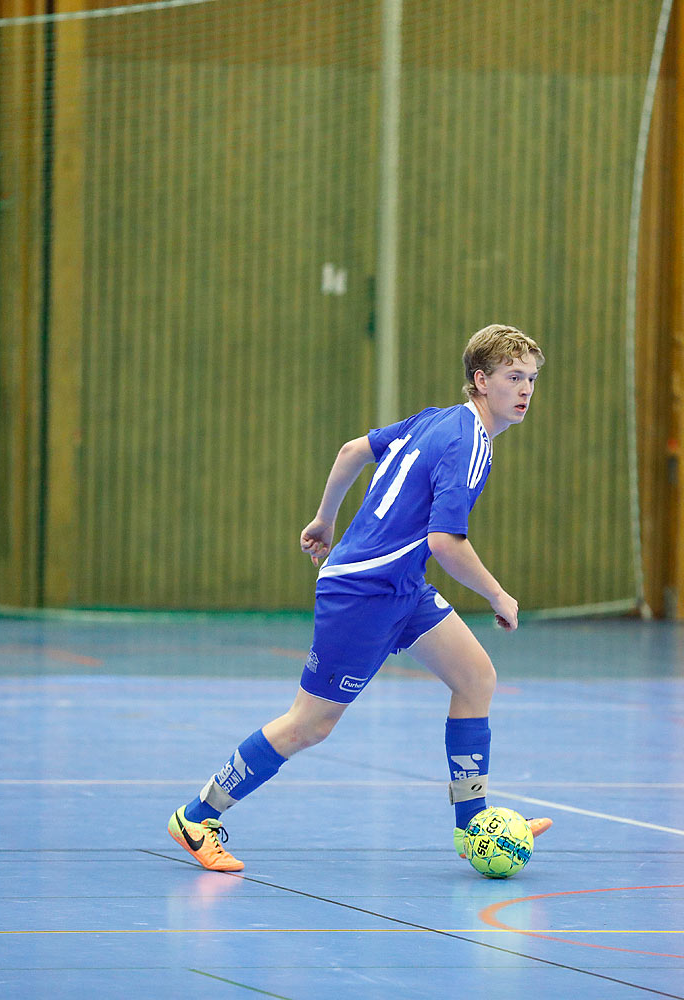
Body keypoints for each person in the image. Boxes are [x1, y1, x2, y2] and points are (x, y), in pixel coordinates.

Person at [168, 323, 551, 872]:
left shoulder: (435, 420)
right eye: (514, 377)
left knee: (476, 679)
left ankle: (473, 827)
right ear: (480, 381)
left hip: (401, 587)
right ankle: (196, 816)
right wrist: (497, 594)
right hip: (362, 592)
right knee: (310, 724)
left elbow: (353, 450)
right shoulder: (468, 442)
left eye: (532, 379)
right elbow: (446, 541)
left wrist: (326, 518)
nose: (525, 391)